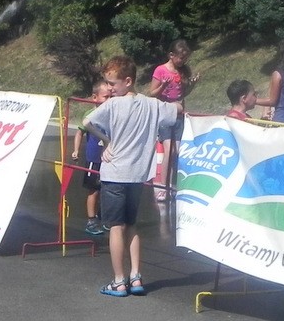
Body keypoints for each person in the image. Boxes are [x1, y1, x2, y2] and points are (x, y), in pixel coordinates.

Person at [84, 56, 181, 298]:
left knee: (116, 227)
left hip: (115, 174)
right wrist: (178, 100)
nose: (109, 88)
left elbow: (87, 121)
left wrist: (107, 141)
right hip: (137, 175)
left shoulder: (112, 105)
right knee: (132, 224)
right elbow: (177, 110)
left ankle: (119, 281)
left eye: (112, 83)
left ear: (128, 81)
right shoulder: (152, 104)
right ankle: (136, 276)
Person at [149, 39, 199, 199]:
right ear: (171, 55)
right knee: (169, 151)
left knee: (177, 151)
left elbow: (183, 93)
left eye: (185, 59)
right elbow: (152, 93)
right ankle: (163, 186)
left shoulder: (183, 71)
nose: (183, 61)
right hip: (165, 115)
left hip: (179, 115)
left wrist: (192, 86)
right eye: (181, 58)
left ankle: (173, 184)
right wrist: (163, 86)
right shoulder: (161, 70)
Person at [71, 80, 113, 235]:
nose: (109, 100)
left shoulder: (111, 114)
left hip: (107, 159)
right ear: (95, 98)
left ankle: (104, 218)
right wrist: (76, 150)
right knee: (93, 190)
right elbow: (79, 132)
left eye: (111, 97)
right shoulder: (89, 115)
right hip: (93, 159)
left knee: (107, 190)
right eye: (105, 97)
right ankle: (91, 221)